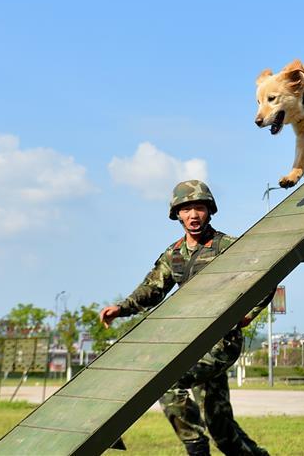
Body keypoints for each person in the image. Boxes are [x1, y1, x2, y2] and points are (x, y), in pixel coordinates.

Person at [99, 180, 270, 456]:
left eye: (199, 208)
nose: (193, 215)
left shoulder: (228, 246)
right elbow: (152, 289)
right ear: (177, 214)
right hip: (189, 342)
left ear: (209, 211)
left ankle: (195, 447)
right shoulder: (174, 254)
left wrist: (247, 313)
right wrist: (122, 308)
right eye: (186, 209)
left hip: (221, 342)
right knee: (221, 428)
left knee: (167, 380)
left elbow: (266, 276)